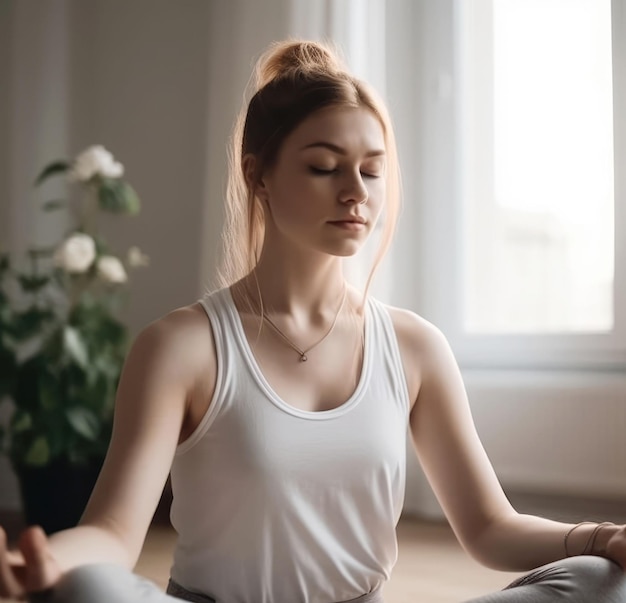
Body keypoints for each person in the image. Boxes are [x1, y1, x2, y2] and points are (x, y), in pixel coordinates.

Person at [0, 39, 625, 603]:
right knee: (88, 588)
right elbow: (112, 533)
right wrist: (49, 561)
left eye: (373, 170)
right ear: (258, 175)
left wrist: (603, 537)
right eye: (325, 167)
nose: (356, 191)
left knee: (599, 580)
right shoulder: (180, 348)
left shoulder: (415, 348)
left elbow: (490, 529)